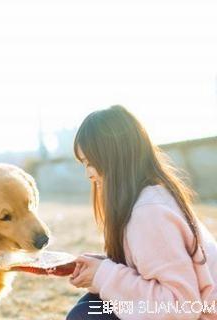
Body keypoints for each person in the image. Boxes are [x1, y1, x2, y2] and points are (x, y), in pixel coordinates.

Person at [66, 105, 217, 320]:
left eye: (91, 162)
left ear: (115, 158)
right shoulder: (151, 199)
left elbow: (182, 308)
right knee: (90, 307)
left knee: (87, 316)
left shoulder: (149, 213)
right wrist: (101, 267)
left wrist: (105, 274)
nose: (88, 174)